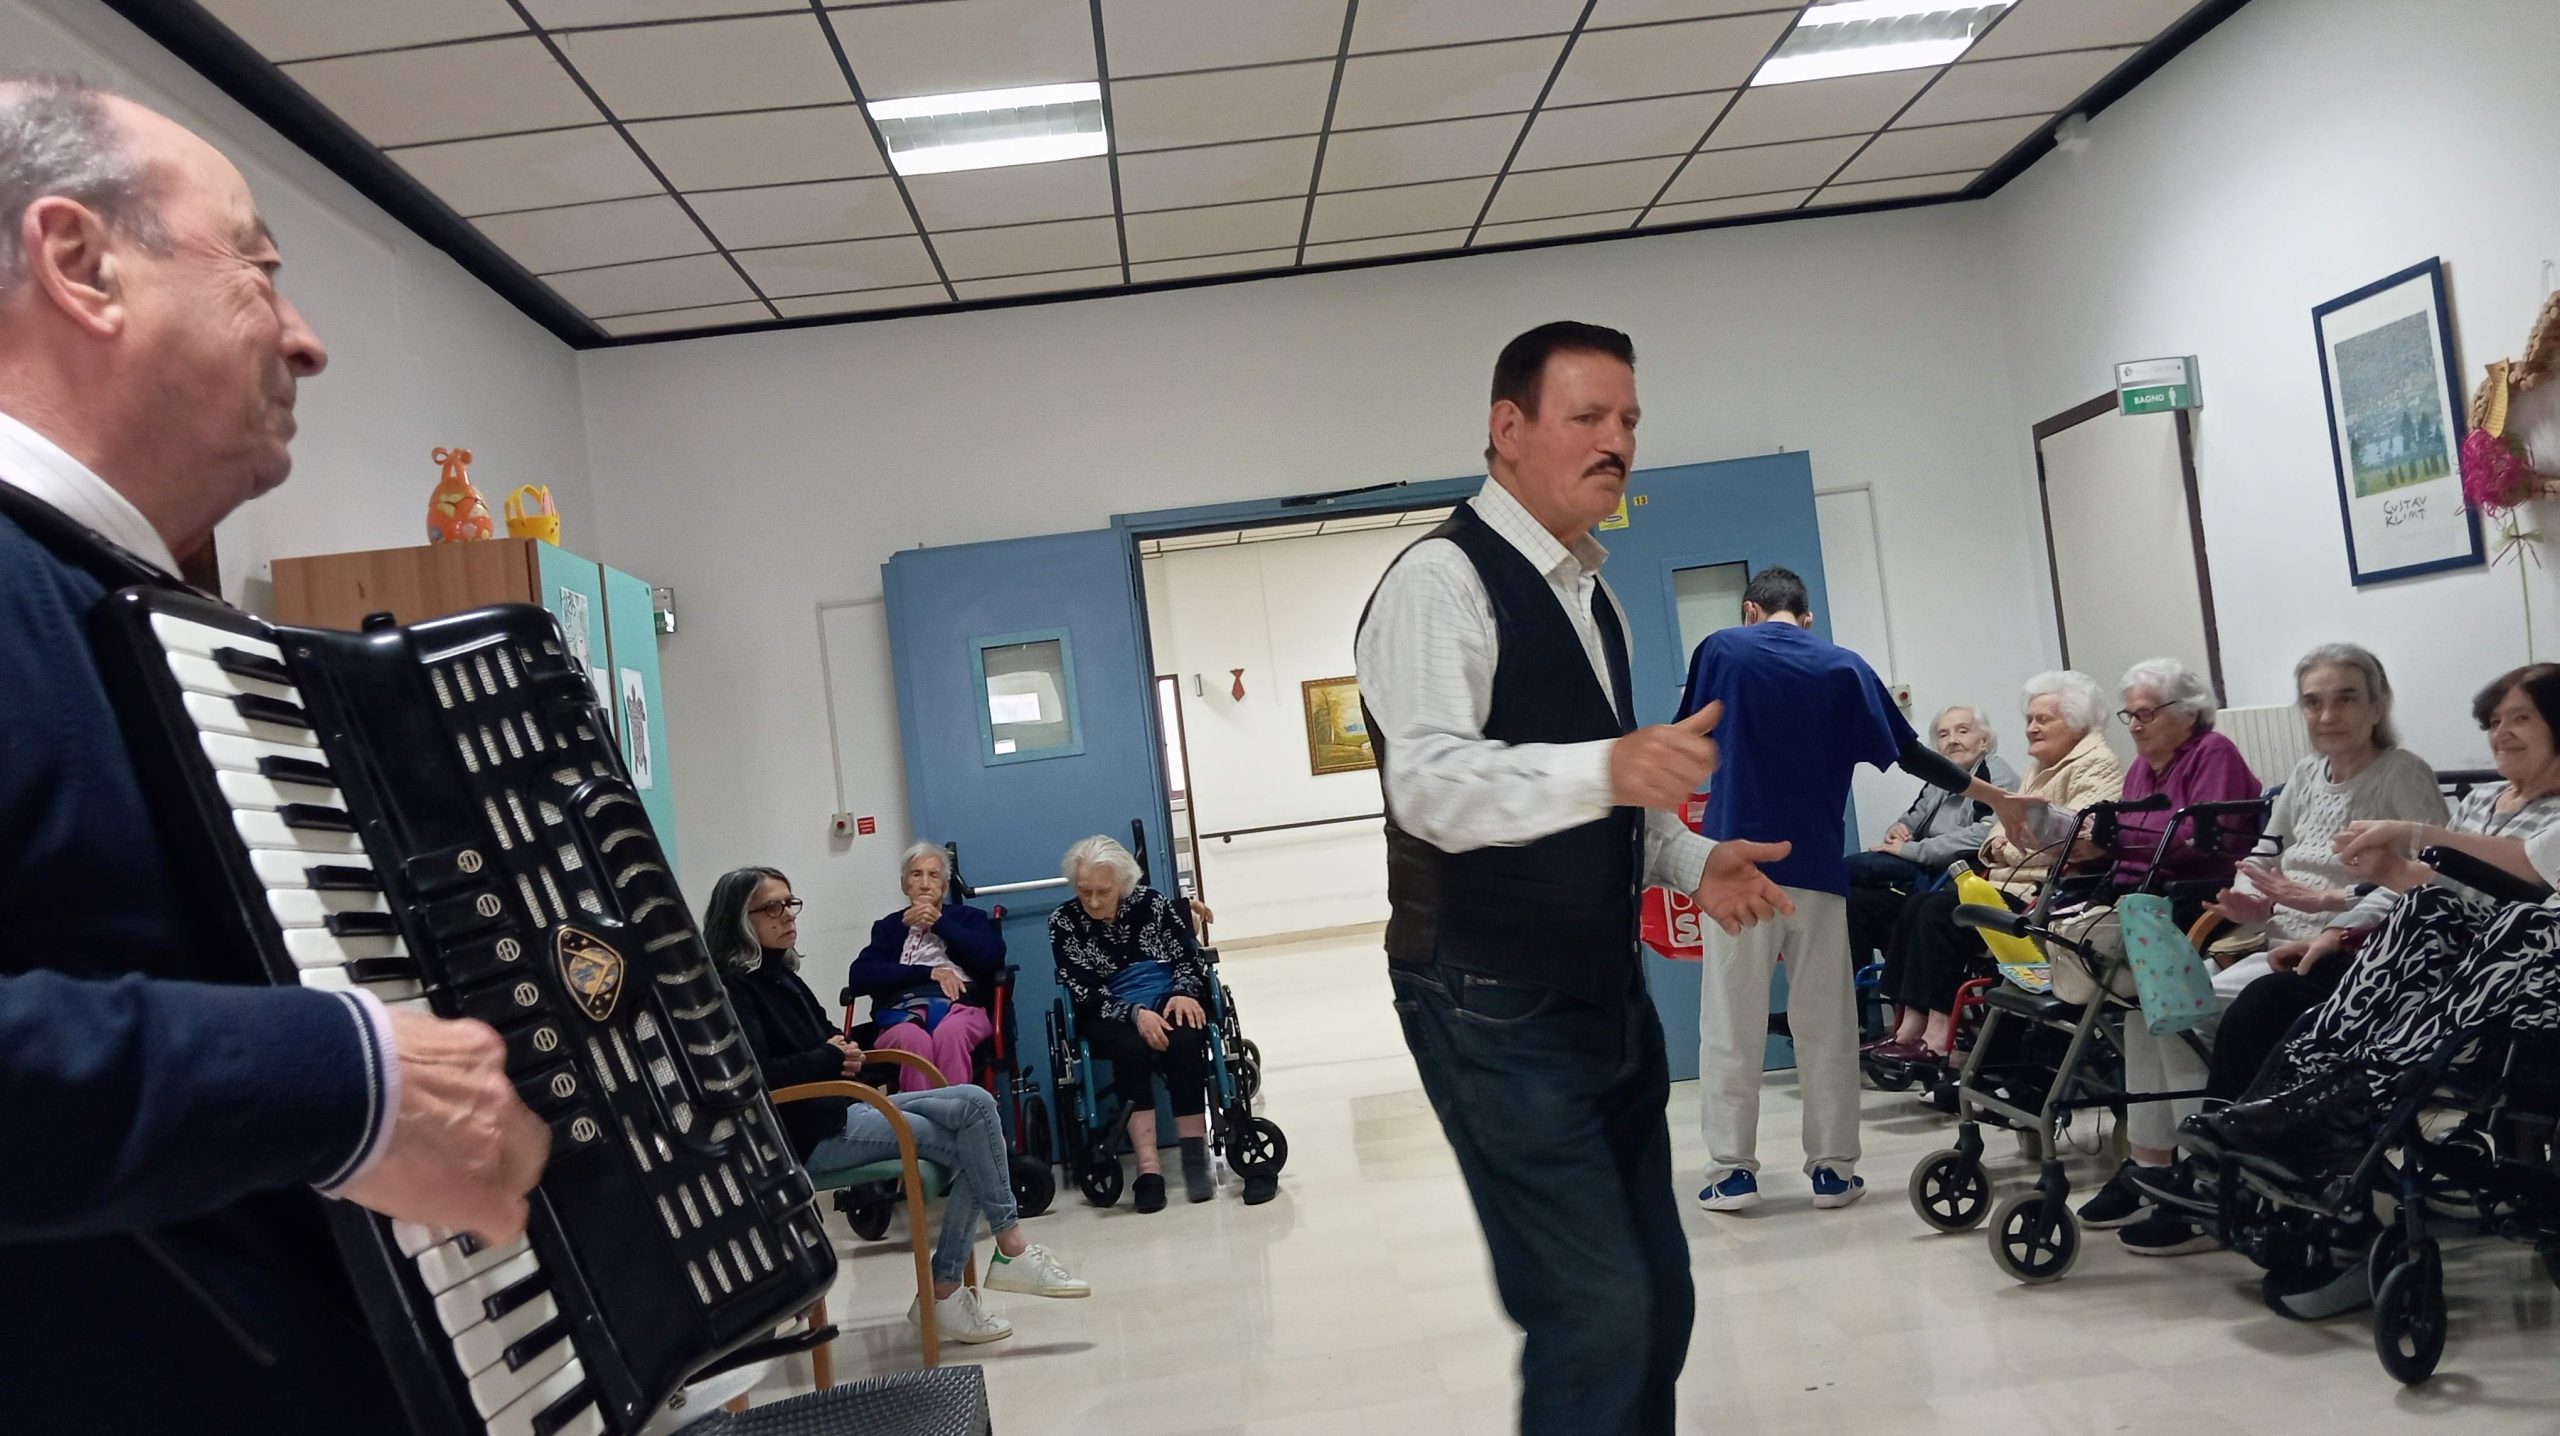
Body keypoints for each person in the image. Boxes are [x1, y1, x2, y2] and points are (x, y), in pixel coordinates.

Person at [0, 77, 551, 1429]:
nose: (307, 342)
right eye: (258, 270)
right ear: (80, 263)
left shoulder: (133, 614)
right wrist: (345, 1080)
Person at [1354, 320, 1791, 1436]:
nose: (1618, 442)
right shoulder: (1440, 583)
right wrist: (1608, 766)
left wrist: (1692, 856)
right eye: (1588, 417)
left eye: (1629, 420)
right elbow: (1431, 786)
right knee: (1595, 1315)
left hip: (1604, 990)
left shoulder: (1594, 594)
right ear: (1508, 429)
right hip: (1489, 999)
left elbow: (1604, 796)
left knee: (1659, 1300)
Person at [1678, 566, 2009, 1214]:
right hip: (1818, 875)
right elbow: (1915, 756)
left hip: (1736, 870)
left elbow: (1683, 742)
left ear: (1750, 611)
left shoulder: (1721, 650)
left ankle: (1732, 1174)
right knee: (1826, 1026)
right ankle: (1832, 1171)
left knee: (1729, 1023)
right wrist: (1996, 797)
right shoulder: (1844, 666)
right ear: (1807, 619)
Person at [2197, 663, 2560, 1164]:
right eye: (2495, 721)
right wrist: (2342, 929)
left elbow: (2531, 867)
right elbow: (2433, 885)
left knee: (2517, 921)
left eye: (2520, 718)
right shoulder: (2481, 801)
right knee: (2275, 996)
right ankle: (2254, 1129)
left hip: (2511, 978)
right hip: (2432, 960)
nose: (2502, 733)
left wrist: (2415, 835)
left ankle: (2343, 1101)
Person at [710, 867, 1087, 1345]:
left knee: (976, 1102)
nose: (787, 915)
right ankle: (967, 1276)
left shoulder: (781, 973)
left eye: (790, 903)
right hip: (810, 1132)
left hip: (842, 1109)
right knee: (975, 1144)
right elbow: (757, 1076)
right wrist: (829, 1056)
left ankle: (988, 1264)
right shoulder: (733, 988)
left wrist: (843, 1049)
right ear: (739, 920)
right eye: (772, 907)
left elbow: (828, 1033)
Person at [2048, 658, 2260, 1255]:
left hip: (2198, 903)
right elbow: (2136, 839)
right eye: (2130, 715)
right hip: (2140, 901)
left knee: (2159, 1014)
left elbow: (2204, 842)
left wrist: (2124, 841)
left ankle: (2195, 1170)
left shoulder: (2213, 753)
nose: (2136, 726)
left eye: (2146, 713)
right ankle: (2150, 1165)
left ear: (2187, 713)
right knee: (2136, 1015)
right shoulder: (2143, 767)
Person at [1867, 670, 2125, 1060]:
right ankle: (1908, 1029)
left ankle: (1936, 1039)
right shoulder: (2039, 768)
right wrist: (2008, 843)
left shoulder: (2095, 765)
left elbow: (2067, 840)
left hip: (2046, 895)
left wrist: (2008, 846)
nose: (2031, 728)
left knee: (1939, 911)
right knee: (1918, 905)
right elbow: (1998, 834)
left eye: (2042, 720)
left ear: (2076, 723)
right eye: (2029, 719)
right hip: (2011, 883)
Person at [1048, 834, 1253, 1210]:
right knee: (1129, 1046)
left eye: (1103, 891)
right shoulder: (1063, 921)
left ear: (1123, 884)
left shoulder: (1152, 904)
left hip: (1167, 994)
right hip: (1107, 1008)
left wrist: (1183, 992)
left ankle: (1194, 1160)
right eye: (1084, 891)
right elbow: (1082, 987)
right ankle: (1148, 1169)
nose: (1093, 901)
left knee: (1185, 1037)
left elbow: (1187, 956)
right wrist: (1134, 1014)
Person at [1845, 703, 2019, 969]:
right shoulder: (1940, 780)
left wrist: (1910, 850)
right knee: (1852, 901)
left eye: (1962, 731)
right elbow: (1912, 818)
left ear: (1984, 741)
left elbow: (1984, 835)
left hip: (1951, 880)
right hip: (1921, 876)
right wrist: (1897, 830)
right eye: (1943, 734)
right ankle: (1850, 994)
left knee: (1845, 870)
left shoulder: (1994, 773)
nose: (1952, 740)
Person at [845, 841, 1005, 1093]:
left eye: (933, 875)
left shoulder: (968, 918)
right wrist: (929, 973)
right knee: (914, 1040)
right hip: (902, 1013)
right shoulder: (890, 927)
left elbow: (992, 958)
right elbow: (859, 976)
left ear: (944, 885)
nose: (925, 884)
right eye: (916, 874)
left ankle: (956, 1113)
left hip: (962, 1007)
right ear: (904, 884)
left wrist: (939, 923)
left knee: (949, 1034)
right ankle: (921, 1117)